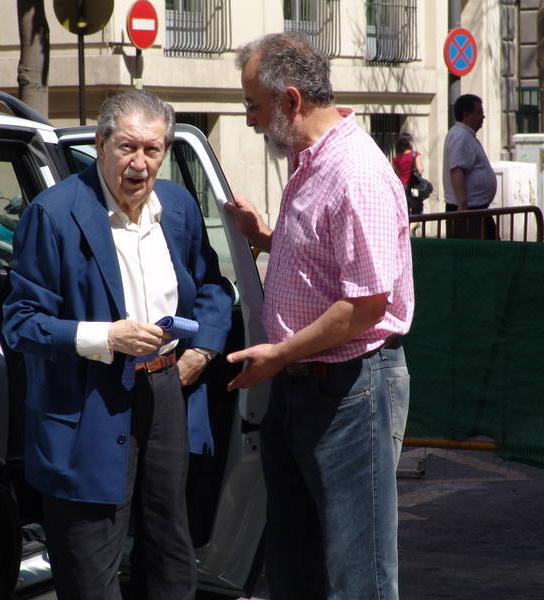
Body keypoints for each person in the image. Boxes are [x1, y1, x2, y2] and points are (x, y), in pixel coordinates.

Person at [2, 90, 231, 600]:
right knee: (90, 555)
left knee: (171, 543)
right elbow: (21, 322)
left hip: (165, 390)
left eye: (153, 150)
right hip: (87, 402)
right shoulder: (55, 214)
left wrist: (202, 350)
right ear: (102, 144)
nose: (140, 163)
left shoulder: (177, 206)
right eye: (128, 147)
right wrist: (107, 336)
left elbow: (213, 286)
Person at [225, 33, 415, 600]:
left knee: (359, 575)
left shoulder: (354, 172)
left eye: (253, 106)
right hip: (304, 385)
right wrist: (265, 238)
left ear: (289, 100)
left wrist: (278, 354)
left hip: (348, 390)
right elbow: (325, 260)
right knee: (296, 563)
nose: (250, 120)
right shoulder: (310, 161)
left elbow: (365, 304)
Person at [442, 93, 498, 239]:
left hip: (476, 211)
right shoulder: (460, 135)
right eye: (479, 113)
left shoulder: (465, 135)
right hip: (468, 213)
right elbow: (456, 170)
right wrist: (463, 206)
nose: (483, 117)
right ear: (466, 115)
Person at [392, 132, 426, 217]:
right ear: (409, 142)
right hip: (412, 187)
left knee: (405, 214)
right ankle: (409, 230)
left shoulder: (396, 158)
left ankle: (406, 228)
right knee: (418, 213)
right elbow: (419, 169)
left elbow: (392, 172)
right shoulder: (414, 155)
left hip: (400, 187)